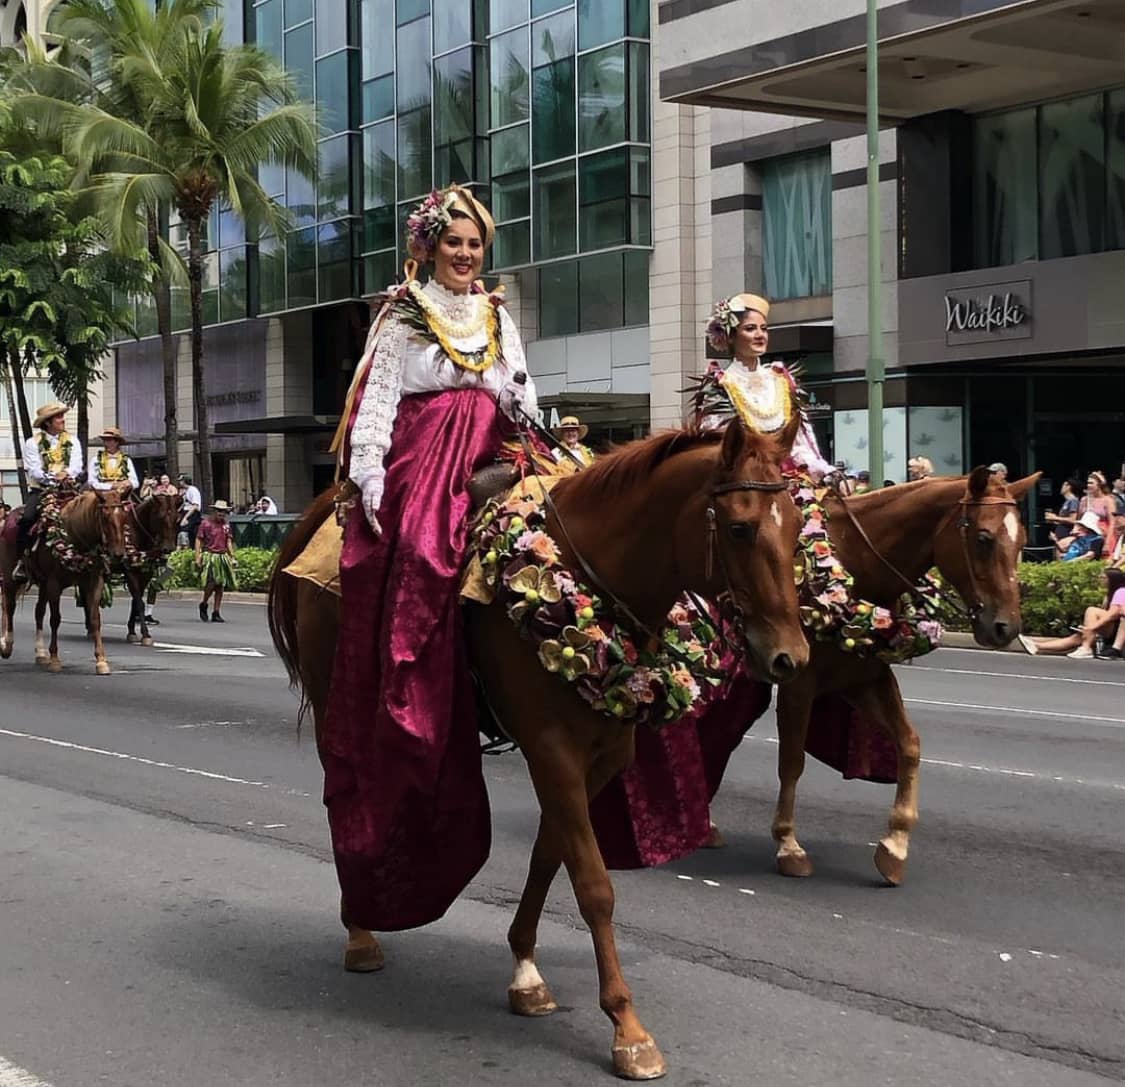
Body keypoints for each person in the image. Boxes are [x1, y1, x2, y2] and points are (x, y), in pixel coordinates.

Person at [324, 183, 537, 931]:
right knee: (420, 545)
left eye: (475, 243)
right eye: (454, 242)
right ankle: (415, 692)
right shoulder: (402, 313)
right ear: (427, 247)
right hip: (427, 450)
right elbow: (379, 400)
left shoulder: (497, 313)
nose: (465, 253)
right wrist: (372, 474)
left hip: (494, 441)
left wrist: (532, 419)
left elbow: (516, 387)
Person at [697, 292, 834, 482]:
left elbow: (800, 441)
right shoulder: (720, 384)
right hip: (745, 481)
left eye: (764, 328)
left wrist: (822, 471)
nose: (760, 335)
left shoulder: (781, 379)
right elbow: (722, 445)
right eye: (750, 329)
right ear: (730, 337)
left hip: (789, 477)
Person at [13, 401, 84, 583]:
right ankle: (22, 560)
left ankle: (97, 561)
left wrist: (66, 474)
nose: (62, 420)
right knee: (27, 518)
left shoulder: (72, 440)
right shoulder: (33, 443)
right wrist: (53, 478)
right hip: (42, 490)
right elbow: (34, 470)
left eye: (62, 416)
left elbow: (77, 465)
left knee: (92, 513)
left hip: (69, 489)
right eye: (58, 417)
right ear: (48, 422)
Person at [1018, 569, 1125, 660]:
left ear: (1112, 579)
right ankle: (1037, 646)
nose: (1100, 580)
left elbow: (1113, 614)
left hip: (1116, 630)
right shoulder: (1108, 594)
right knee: (1077, 638)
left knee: (1091, 610)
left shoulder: (1121, 591)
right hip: (1108, 630)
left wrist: (1091, 627)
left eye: (1103, 578)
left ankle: (1086, 647)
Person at [194, 499, 237, 622]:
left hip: (222, 556)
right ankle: (204, 603)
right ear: (214, 511)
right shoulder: (205, 524)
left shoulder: (226, 525)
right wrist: (198, 557)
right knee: (212, 582)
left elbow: (228, 541)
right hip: (210, 555)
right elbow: (198, 540)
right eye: (219, 511)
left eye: (223, 511)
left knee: (220, 585)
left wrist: (232, 556)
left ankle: (216, 611)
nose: (221, 513)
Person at [88, 426, 139, 492]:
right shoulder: (96, 460)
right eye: (105, 440)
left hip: (122, 493)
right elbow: (92, 483)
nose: (106, 443)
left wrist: (127, 484)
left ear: (117, 442)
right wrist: (110, 486)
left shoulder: (126, 460)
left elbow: (135, 483)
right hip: (101, 494)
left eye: (109, 440)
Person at [1044, 478, 1081, 544]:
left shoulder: (1073, 501)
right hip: (1060, 536)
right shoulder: (1066, 502)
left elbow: (1073, 520)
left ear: (1069, 487)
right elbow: (1063, 521)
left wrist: (1055, 518)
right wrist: (1054, 520)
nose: (1061, 487)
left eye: (1064, 485)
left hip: (1066, 536)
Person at [178, 474, 203, 547]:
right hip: (185, 512)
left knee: (184, 531)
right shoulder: (186, 491)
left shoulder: (193, 490)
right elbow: (185, 503)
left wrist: (185, 518)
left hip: (192, 514)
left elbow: (195, 505)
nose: (180, 483)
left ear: (184, 481)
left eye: (181, 481)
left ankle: (186, 549)